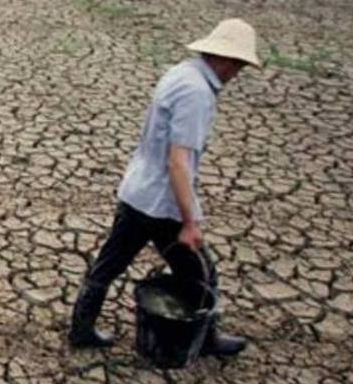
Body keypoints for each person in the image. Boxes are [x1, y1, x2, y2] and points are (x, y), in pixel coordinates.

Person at [68, 19, 261, 355]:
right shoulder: (197, 93)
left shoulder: (182, 72)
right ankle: (206, 339)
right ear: (227, 60)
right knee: (203, 273)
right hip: (161, 202)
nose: (238, 73)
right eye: (240, 65)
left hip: (137, 192)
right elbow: (178, 161)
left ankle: (81, 328)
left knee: (108, 264)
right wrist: (190, 221)